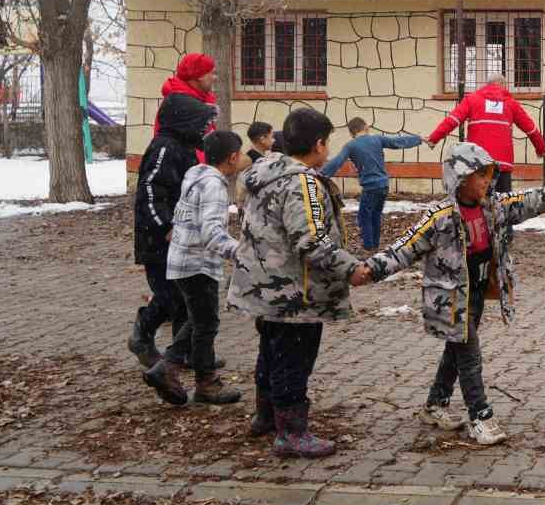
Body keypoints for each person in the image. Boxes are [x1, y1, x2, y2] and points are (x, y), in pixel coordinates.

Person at [366, 143, 545, 445]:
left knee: (455, 350)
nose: (486, 182)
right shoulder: (441, 216)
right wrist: (369, 270)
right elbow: (404, 248)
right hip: (451, 300)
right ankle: (480, 416)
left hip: (475, 293)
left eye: (488, 175)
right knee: (470, 356)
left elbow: (529, 200)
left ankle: (435, 404)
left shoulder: (493, 205)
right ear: (459, 178)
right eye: (479, 176)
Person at [228, 108, 372, 459]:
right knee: (293, 358)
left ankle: (266, 416)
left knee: (272, 352)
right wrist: (349, 268)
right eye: (327, 142)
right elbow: (310, 241)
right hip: (295, 292)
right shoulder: (303, 182)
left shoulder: (262, 173)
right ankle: (291, 430)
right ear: (319, 144)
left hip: (264, 286)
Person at [147, 131, 248, 407]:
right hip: (197, 263)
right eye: (240, 154)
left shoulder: (196, 174)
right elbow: (212, 232)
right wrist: (242, 253)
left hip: (181, 259)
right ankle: (200, 381)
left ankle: (174, 370)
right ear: (232, 157)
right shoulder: (215, 185)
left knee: (199, 320)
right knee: (205, 324)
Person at [127, 92, 217, 389]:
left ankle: (183, 356)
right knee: (170, 297)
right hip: (158, 240)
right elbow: (151, 192)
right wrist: (165, 226)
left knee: (185, 302)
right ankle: (142, 335)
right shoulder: (165, 148)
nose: (205, 128)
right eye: (200, 122)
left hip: (179, 236)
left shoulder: (186, 147)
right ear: (184, 121)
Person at [427, 77, 545, 194]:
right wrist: (542, 149)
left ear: (487, 84)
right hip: (502, 165)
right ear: (503, 85)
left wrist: (434, 138)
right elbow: (530, 129)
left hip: (477, 162)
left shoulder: (472, 99)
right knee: (503, 204)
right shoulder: (511, 103)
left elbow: (452, 120)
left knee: (477, 202)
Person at [320, 118, 423, 250]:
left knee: (364, 216)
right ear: (366, 128)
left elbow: (337, 162)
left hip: (370, 186)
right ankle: (375, 244)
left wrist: (321, 174)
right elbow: (398, 142)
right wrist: (419, 139)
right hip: (384, 185)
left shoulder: (351, 145)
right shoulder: (377, 139)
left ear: (351, 133)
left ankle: (369, 247)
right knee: (375, 214)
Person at [154, 53, 218, 141]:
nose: (215, 78)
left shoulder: (194, 99)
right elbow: (200, 146)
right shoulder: (182, 105)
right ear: (200, 75)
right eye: (212, 73)